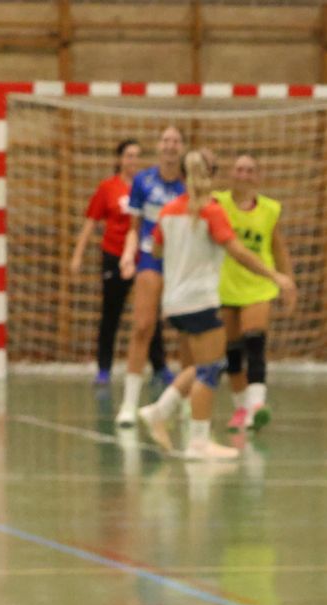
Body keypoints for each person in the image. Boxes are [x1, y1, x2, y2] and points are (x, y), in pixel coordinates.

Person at [137, 149, 292, 462]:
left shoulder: (168, 211)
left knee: (201, 364)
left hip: (174, 300)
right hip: (200, 299)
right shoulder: (210, 211)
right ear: (211, 176)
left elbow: (154, 248)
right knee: (210, 369)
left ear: (181, 175)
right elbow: (239, 252)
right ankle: (198, 441)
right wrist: (276, 275)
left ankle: (159, 410)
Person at [115, 127, 188, 426]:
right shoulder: (143, 181)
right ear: (159, 147)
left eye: (176, 141)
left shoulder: (188, 184)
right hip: (150, 257)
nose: (170, 145)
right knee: (143, 326)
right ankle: (130, 403)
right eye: (166, 140)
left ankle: (185, 400)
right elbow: (134, 227)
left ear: (182, 149)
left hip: (182, 261)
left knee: (188, 332)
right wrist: (127, 254)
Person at [214, 154, 289, 434]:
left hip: (259, 285)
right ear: (231, 174)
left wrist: (287, 282)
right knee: (232, 352)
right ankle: (241, 407)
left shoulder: (269, 209)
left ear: (257, 176)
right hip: (226, 285)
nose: (243, 175)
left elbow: (278, 248)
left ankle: (257, 405)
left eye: (249, 170)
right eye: (239, 169)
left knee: (254, 340)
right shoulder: (218, 203)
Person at [68, 138, 147, 389]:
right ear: (120, 159)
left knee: (148, 314)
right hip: (114, 255)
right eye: (129, 155)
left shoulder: (146, 187)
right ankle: (104, 369)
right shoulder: (108, 187)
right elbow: (91, 221)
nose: (133, 161)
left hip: (143, 256)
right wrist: (77, 254)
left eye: (137, 156)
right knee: (111, 314)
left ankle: (161, 368)